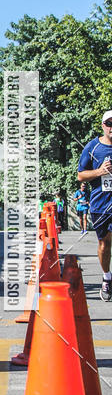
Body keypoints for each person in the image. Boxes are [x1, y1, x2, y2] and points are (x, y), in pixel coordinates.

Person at [78, 110, 112, 300]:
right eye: (109, 123)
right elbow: (81, 175)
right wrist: (99, 171)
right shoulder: (93, 147)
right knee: (104, 243)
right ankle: (107, 278)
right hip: (101, 204)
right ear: (103, 125)